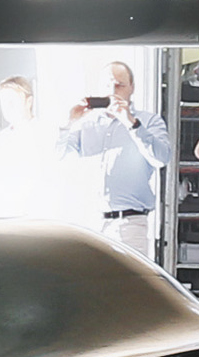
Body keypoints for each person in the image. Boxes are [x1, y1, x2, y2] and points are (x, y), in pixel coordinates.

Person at [60, 59, 172, 261]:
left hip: (129, 223)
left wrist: (131, 123)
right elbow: (59, 157)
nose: (112, 91)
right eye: (107, 85)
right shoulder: (85, 123)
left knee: (128, 281)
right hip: (88, 222)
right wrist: (68, 123)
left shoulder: (149, 121)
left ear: (132, 88)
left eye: (119, 85)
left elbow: (161, 159)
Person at [0, 76, 58, 218]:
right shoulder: (2, 138)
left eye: (12, 101)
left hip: (32, 216)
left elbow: (45, 178)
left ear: (29, 102)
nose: (7, 107)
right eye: (3, 102)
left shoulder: (43, 132)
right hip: (4, 216)